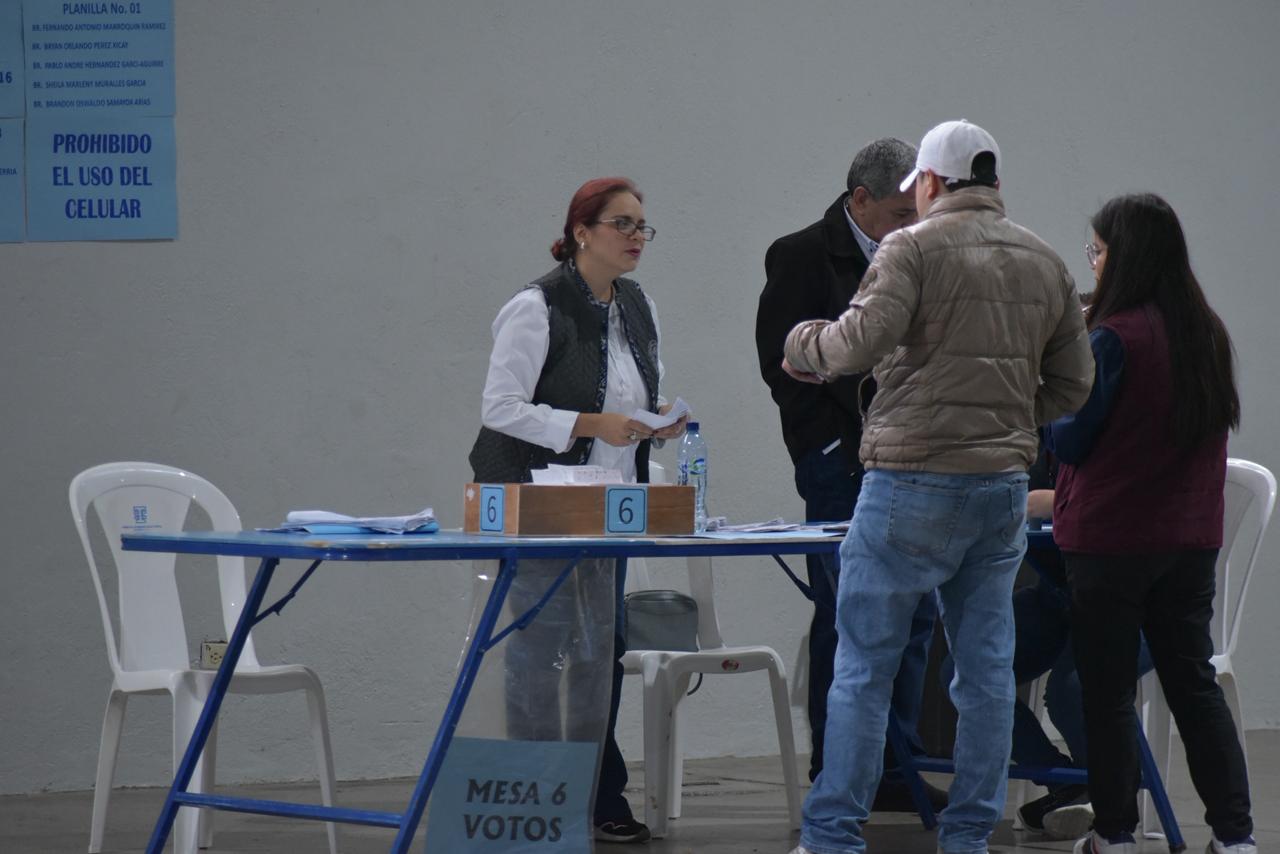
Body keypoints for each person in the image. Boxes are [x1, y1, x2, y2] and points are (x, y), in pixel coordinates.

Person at [780, 119, 1094, 854]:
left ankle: (831, 837)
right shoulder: (1044, 260)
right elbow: (1075, 385)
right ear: (992, 182)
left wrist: (801, 343)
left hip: (907, 487)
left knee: (862, 668)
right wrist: (1011, 417)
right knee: (986, 673)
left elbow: (854, 345)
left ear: (927, 183)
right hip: (998, 491)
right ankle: (968, 837)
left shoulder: (909, 247)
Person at [468, 177, 686, 844]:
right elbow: (499, 408)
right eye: (622, 223)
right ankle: (535, 801)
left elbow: (632, 397)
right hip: (539, 502)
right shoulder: (537, 306)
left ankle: (588, 797)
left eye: (644, 225)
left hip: (610, 508)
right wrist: (590, 423)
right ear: (582, 230)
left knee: (600, 652)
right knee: (541, 651)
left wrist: (656, 425)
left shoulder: (638, 306)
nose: (636, 237)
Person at [1046, 193, 1255, 854]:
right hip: (1191, 541)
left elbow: (1070, 441)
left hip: (1111, 542)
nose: (1094, 263)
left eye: (1099, 251)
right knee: (1194, 686)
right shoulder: (1208, 332)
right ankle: (1236, 835)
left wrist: (1055, 373)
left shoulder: (1112, 338)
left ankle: (1116, 833)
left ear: (1124, 256)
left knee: (1106, 696)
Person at [755, 137, 945, 811]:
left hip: (914, 459)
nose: (910, 225)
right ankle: (839, 770)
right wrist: (829, 452)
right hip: (842, 464)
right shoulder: (803, 254)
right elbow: (783, 364)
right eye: (898, 213)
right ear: (858, 200)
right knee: (846, 616)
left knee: (917, 614)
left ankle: (895, 768)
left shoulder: (921, 251)